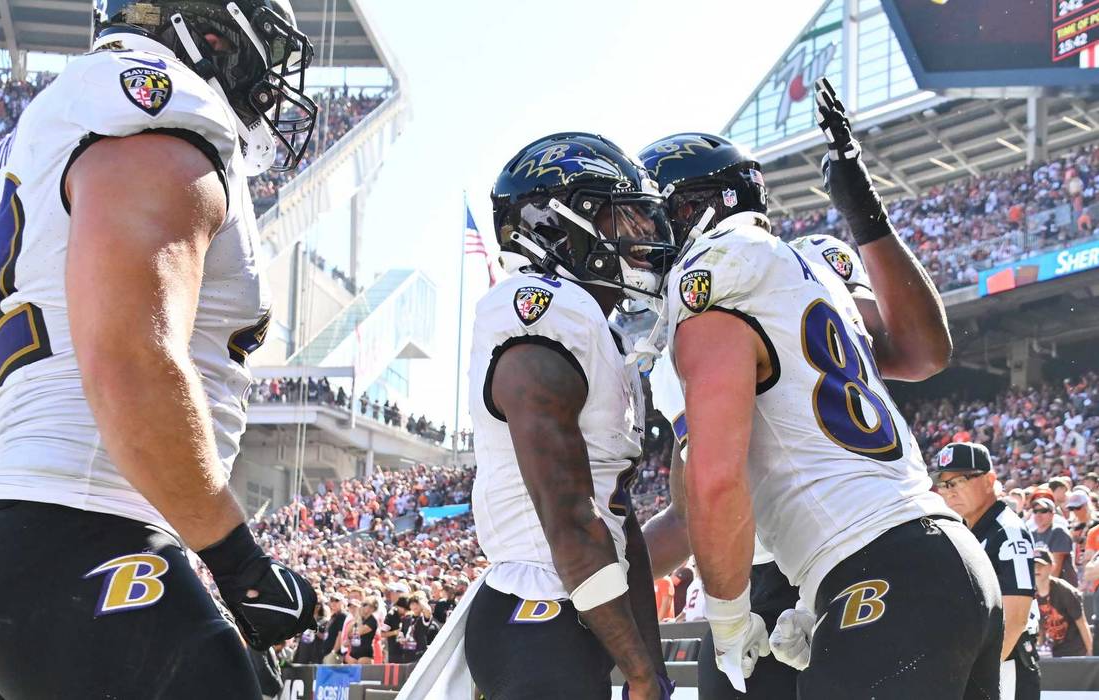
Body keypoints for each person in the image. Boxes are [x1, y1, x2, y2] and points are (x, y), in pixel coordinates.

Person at [0, 2, 319, 697]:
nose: (268, 82)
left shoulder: (58, 116)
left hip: (6, 556)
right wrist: (241, 564)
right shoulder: (156, 110)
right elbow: (128, 360)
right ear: (213, 30)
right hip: (82, 543)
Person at [645, 78, 1001, 698]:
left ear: (690, 213)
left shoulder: (715, 282)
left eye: (653, 216)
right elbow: (921, 351)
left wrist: (725, 619)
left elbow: (713, 482)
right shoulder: (807, 266)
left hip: (869, 565)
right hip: (926, 551)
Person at [400, 133, 680, 700]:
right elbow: (571, 524)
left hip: (582, 607)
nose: (641, 237)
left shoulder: (595, 331)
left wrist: (648, 662)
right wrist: (642, 671)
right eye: (618, 217)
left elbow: (619, 522)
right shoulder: (539, 315)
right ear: (559, 225)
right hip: (540, 613)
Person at [931, 442, 1038, 700]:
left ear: (989, 480)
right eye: (944, 484)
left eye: (958, 481)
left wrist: (977, 674)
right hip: (976, 667)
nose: (949, 492)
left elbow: (1016, 618)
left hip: (1005, 667)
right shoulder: (963, 531)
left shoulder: (1009, 532)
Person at [1034, 548, 1093, 657]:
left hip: (1075, 651)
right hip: (1054, 651)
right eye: (1033, 565)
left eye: (1041, 565)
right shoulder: (1031, 593)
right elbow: (1040, 625)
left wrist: (1090, 652)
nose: (1036, 569)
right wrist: (1039, 645)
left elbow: (1082, 623)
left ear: (1051, 567)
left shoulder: (1064, 590)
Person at [1030, 497, 1078, 585]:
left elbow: (1056, 567)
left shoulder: (1058, 532)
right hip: (1041, 587)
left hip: (1061, 588)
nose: (1038, 515)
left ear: (1052, 514)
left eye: (1043, 511)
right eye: (1035, 511)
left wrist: (1046, 590)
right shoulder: (1031, 534)